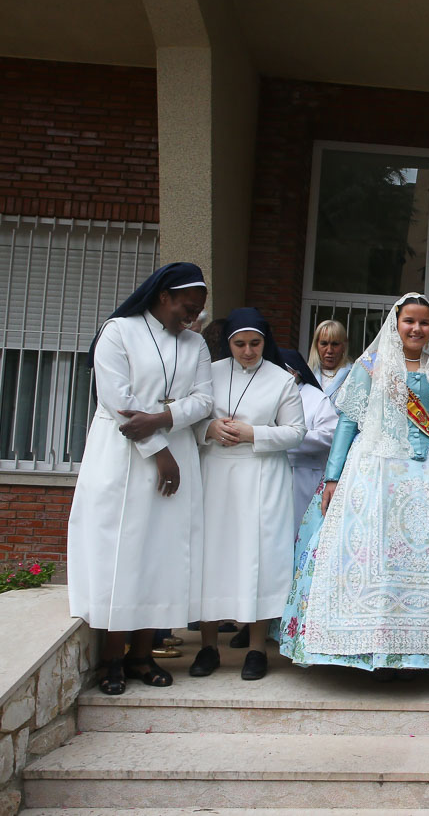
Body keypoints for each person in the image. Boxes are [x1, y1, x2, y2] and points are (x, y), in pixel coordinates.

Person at [277, 294, 429, 678]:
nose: (416, 329)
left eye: (424, 322)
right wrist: (333, 476)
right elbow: (348, 423)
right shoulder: (371, 363)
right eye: (409, 321)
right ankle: (373, 648)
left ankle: (419, 652)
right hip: (377, 471)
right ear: (396, 322)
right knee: (378, 559)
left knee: (426, 560)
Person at [68, 262, 212, 694]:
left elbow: (204, 399)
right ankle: (112, 658)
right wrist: (160, 450)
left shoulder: (195, 345)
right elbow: (117, 401)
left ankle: (142, 655)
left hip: (175, 448)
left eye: (199, 311)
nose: (192, 317)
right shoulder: (119, 331)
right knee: (124, 550)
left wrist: (166, 416)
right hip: (123, 455)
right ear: (163, 295)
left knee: (161, 553)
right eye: (187, 307)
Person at [190, 308, 305, 680]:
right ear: (229, 344)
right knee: (212, 557)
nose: (248, 351)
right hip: (215, 473)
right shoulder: (209, 372)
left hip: (261, 474)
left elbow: (296, 431)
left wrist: (252, 433)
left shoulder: (281, 379)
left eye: (255, 343)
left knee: (258, 558)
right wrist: (209, 430)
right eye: (240, 344)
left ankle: (257, 649)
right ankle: (208, 648)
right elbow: (189, 421)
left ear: (265, 342)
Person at [279, 347, 339, 528]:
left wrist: (287, 437)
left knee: (299, 528)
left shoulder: (316, 398)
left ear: (294, 373)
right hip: (274, 470)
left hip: (305, 474)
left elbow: (330, 434)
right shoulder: (271, 395)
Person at [308, 319, 353, 398]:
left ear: (344, 346)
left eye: (335, 344)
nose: (329, 350)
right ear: (316, 345)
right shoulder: (306, 373)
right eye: (324, 344)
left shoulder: (353, 374)